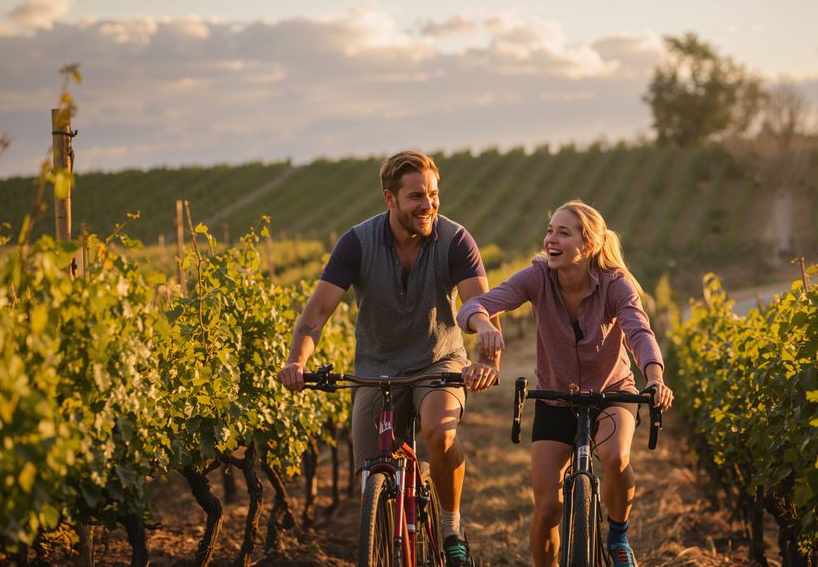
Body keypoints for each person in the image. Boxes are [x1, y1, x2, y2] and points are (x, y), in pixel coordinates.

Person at [279, 150, 499, 567]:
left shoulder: (455, 240)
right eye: (416, 195)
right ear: (389, 198)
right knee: (371, 469)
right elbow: (316, 314)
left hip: (439, 361)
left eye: (434, 194)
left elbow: (481, 308)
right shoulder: (357, 243)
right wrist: (297, 361)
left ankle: (451, 529)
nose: (428, 204)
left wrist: (488, 360)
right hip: (375, 368)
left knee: (439, 432)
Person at [456, 199, 673, 567]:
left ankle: (618, 536)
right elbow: (475, 305)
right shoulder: (537, 277)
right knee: (546, 511)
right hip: (556, 399)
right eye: (550, 231)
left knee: (616, 456)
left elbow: (639, 332)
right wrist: (485, 324)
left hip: (612, 394)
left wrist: (654, 377)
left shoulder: (615, 284)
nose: (551, 240)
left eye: (563, 233)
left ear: (588, 246)